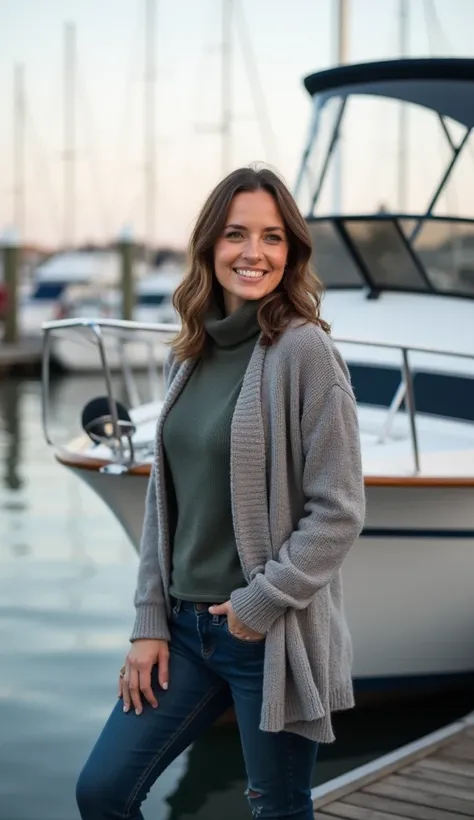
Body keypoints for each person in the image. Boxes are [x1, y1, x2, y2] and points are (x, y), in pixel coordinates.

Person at [76, 166, 365, 820]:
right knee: (102, 791)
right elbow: (162, 508)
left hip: (270, 634)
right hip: (181, 632)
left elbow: (338, 514)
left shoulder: (306, 352)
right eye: (236, 234)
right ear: (210, 245)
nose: (253, 252)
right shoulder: (190, 352)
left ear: (291, 250)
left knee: (277, 807)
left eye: (271, 237)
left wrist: (256, 605)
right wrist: (148, 623)